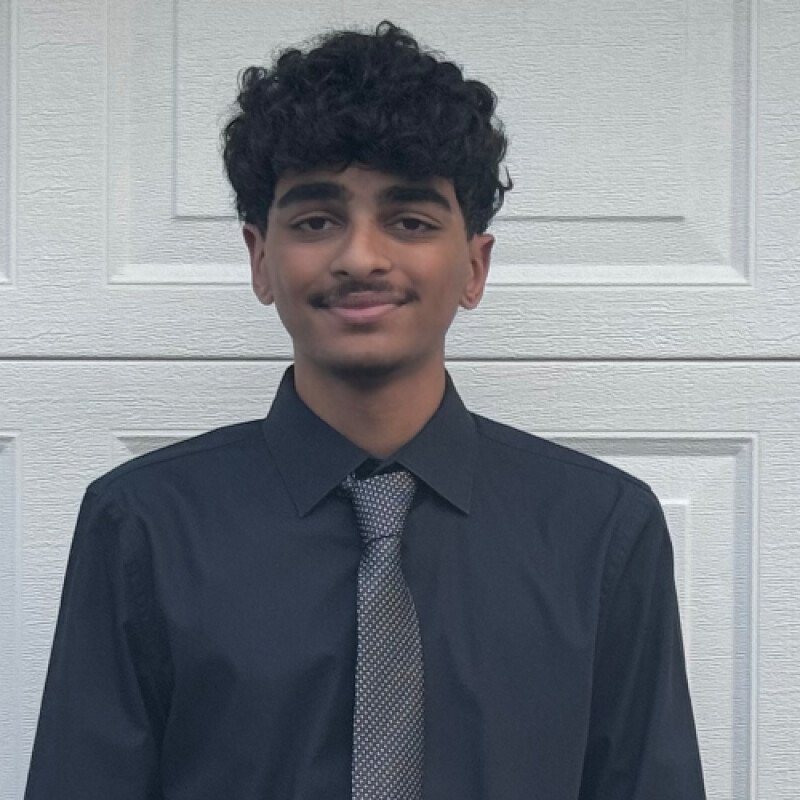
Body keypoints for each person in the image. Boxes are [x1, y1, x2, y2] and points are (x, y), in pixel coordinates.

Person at [24, 21, 706, 799]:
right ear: (260, 258)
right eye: (316, 221)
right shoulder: (143, 526)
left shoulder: (601, 532)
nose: (360, 257)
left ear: (474, 266)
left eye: (410, 221)